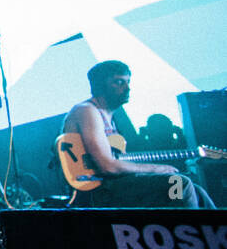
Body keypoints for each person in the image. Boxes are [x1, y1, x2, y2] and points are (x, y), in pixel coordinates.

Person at [62, 61, 211, 207]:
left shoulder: (109, 117)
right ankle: (186, 229)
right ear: (100, 86)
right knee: (178, 183)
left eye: (127, 82)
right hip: (98, 191)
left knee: (197, 191)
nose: (127, 88)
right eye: (119, 82)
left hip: (115, 185)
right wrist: (157, 169)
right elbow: (107, 166)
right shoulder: (87, 111)